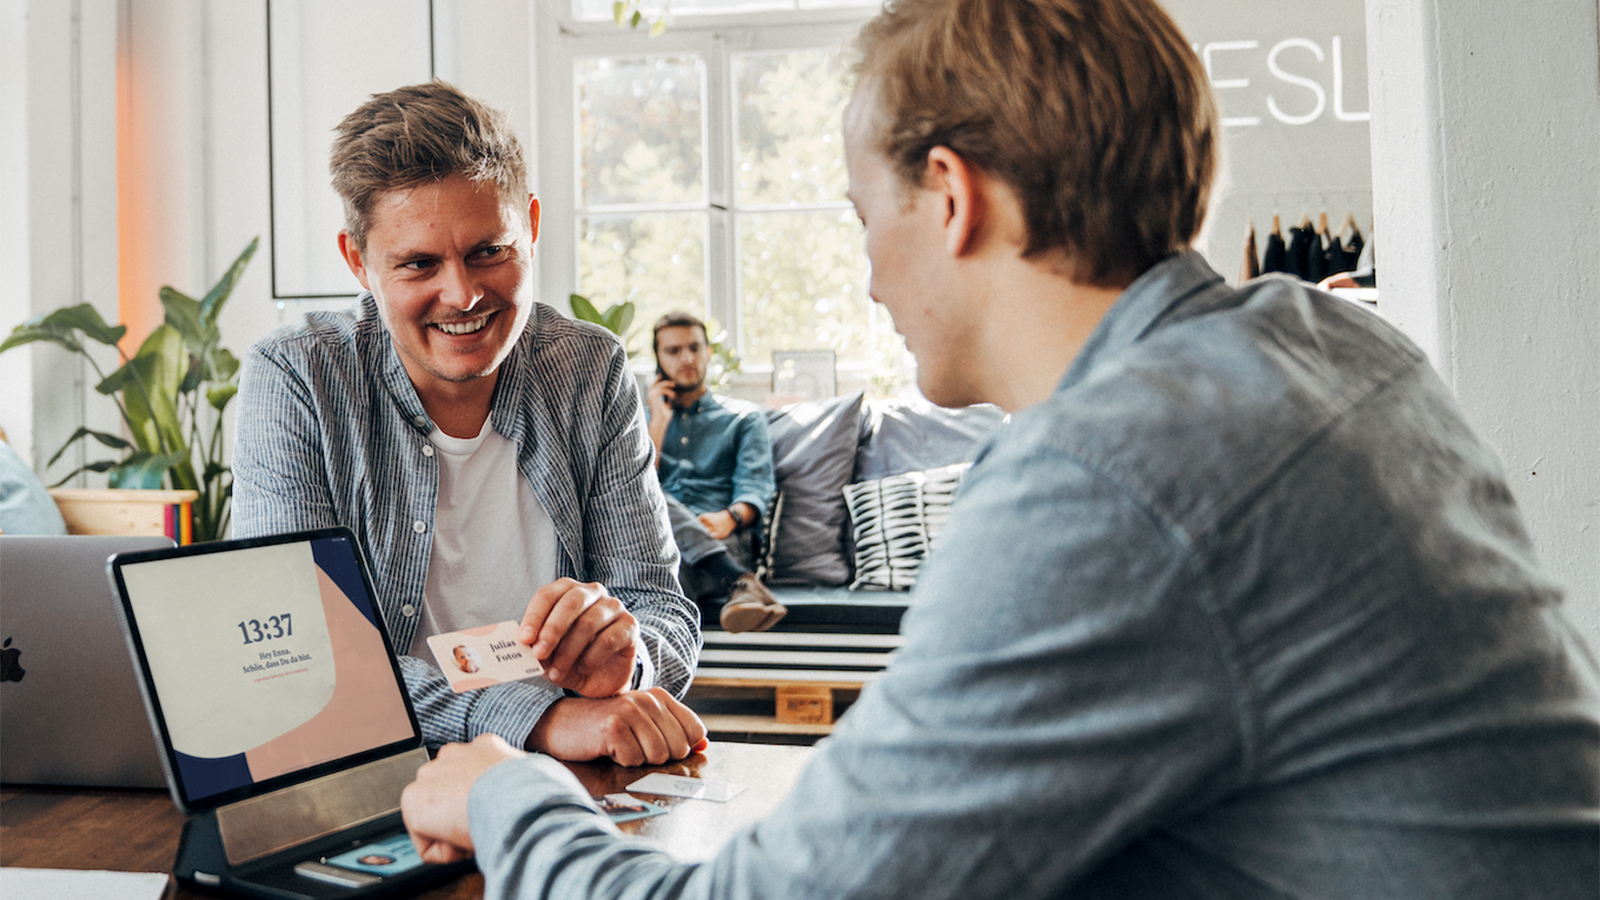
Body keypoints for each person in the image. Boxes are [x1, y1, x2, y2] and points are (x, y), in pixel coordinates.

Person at [400, 0, 1600, 896]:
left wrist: (511, 796)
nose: (871, 278)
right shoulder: (1323, 345)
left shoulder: (1115, 475)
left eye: (866, 218)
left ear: (949, 193)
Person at [232, 82, 706, 768]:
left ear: (532, 226)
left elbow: (661, 610)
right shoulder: (299, 377)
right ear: (358, 261)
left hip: (570, 776)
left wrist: (624, 659)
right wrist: (539, 719)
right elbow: (292, 660)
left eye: (489, 251)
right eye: (420, 263)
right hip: (373, 774)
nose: (463, 295)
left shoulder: (588, 368)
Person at [645, 311, 785, 633]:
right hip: (662, 540)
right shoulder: (641, 421)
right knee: (647, 495)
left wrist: (731, 517)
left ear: (708, 352)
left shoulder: (743, 418)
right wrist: (658, 425)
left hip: (722, 535)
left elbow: (756, 485)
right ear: (658, 359)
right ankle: (739, 584)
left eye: (695, 347)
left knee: (660, 579)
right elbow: (636, 490)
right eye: (673, 350)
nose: (687, 358)